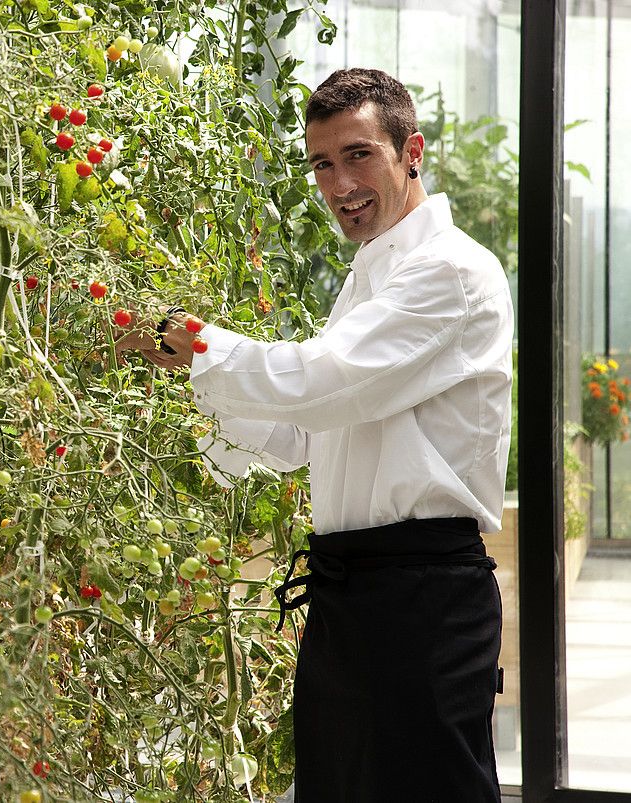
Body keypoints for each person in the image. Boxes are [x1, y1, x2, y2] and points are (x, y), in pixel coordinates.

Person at [115, 68, 513, 803]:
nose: (338, 184)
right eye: (322, 163)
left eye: (358, 154)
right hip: (351, 590)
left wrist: (198, 343)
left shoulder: (449, 272)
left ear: (411, 149)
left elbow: (318, 385)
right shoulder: (372, 274)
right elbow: (303, 433)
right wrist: (191, 372)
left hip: (420, 596)